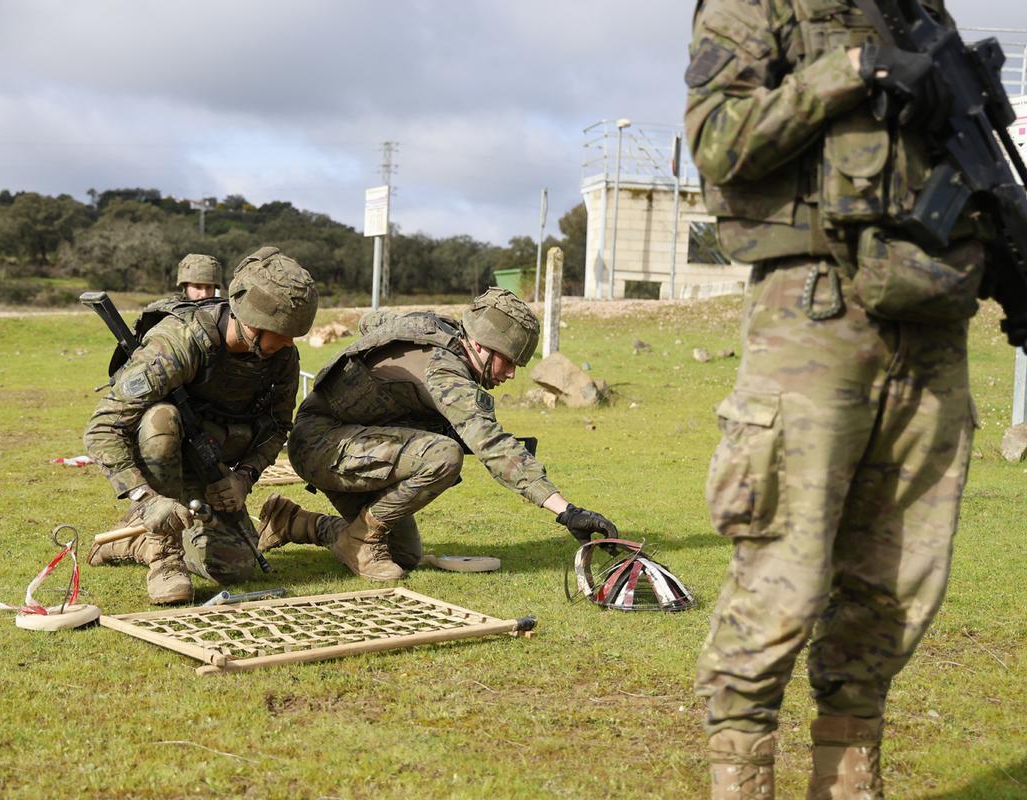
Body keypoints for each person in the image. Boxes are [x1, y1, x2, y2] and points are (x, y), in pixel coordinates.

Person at [686, 1, 985, 796]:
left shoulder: (922, 11)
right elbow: (717, 138)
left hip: (932, 326)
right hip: (813, 315)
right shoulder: (762, 5)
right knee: (782, 577)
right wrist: (852, 72)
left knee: (894, 591)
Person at [256, 288, 619, 580]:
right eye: (507, 361)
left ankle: (292, 522)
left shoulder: (434, 328)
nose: (510, 374)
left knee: (405, 555)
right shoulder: (445, 372)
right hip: (321, 443)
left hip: (354, 443)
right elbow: (490, 442)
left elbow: (372, 322)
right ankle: (363, 538)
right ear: (480, 345)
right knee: (444, 455)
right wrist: (565, 511)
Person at [84, 246, 318, 604]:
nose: (287, 344)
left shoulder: (280, 355)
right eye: (279, 333)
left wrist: (243, 478)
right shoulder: (180, 340)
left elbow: (277, 427)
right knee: (160, 420)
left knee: (234, 566)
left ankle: (129, 539)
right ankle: (162, 554)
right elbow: (103, 427)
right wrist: (146, 500)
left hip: (215, 469)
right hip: (164, 460)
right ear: (251, 319)